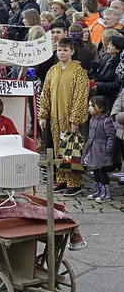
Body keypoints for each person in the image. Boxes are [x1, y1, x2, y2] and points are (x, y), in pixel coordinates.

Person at [39, 38, 90, 196]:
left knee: (71, 150)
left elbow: (81, 97)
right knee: (57, 149)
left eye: (65, 50)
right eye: (60, 50)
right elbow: (45, 93)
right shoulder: (53, 70)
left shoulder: (79, 72)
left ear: (72, 52)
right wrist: (43, 115)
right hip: (55, 117)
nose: (62, 53)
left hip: (69, 118)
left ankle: (74, 182)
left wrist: (76, 119)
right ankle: (61, 177)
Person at [81, 96, 115, 203]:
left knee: (102, 171)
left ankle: (106, 193)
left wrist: (107, 149)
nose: (89, 108)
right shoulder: (92, 120)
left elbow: (111, 136)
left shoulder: (106, 121)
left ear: (101, 108)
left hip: (102, 150)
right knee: (95, 170)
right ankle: (98, 190)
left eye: (92, 106)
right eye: (89, 105)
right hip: (93, 149)